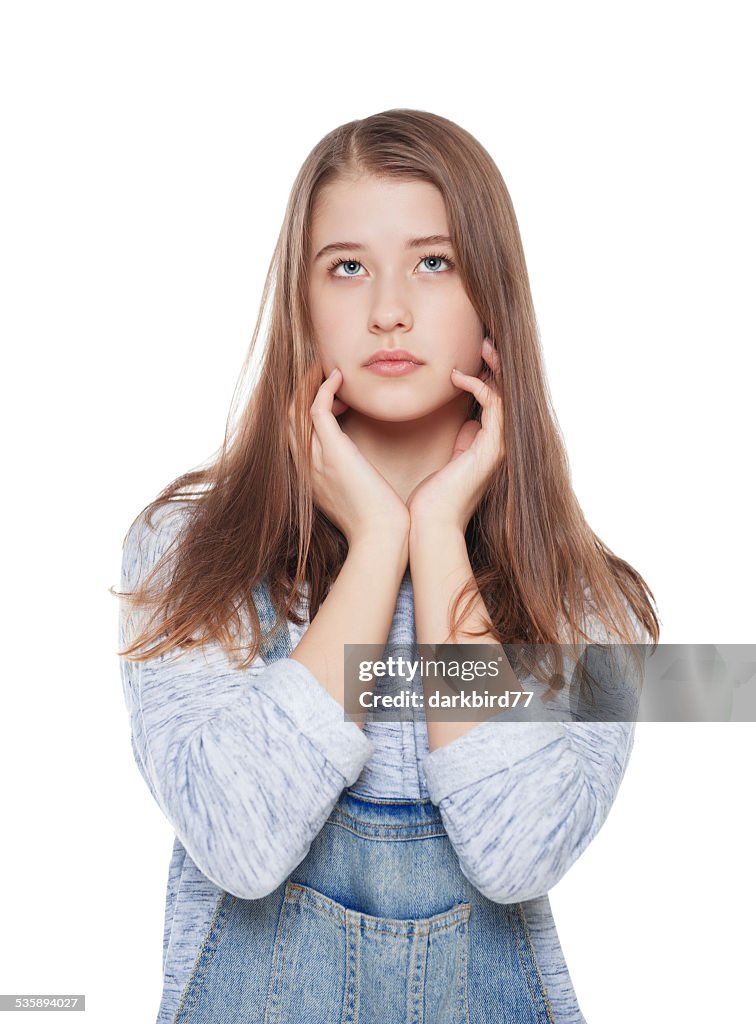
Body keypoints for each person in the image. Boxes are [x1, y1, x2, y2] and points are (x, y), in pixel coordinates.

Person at [116, 108, 660, 1024]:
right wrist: (375, 543)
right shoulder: (188, 554)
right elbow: (240, 843)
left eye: (434, 262)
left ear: (494, 295)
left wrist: (437, 534)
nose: (389, 310)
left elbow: (515, 853)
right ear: (304, 304)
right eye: (347, 267)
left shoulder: (588, 604)